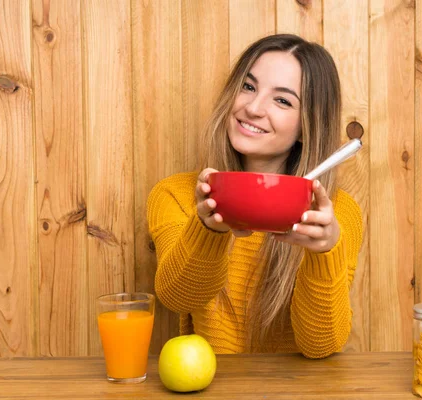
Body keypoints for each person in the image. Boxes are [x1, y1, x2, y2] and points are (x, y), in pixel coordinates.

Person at [147, 34, 363, 359]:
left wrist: (325, 251)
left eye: (282, 100)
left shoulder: (333, 214)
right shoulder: (176, 194)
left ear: (306, 127)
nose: (253, 108)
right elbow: (178, 299)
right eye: (248, 87)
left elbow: (320, 346)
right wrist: (209, 229)